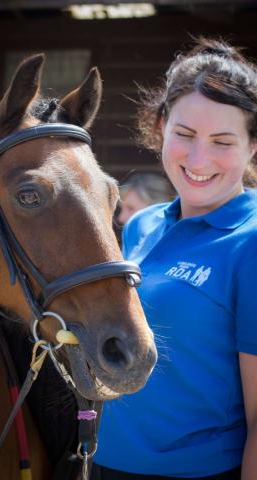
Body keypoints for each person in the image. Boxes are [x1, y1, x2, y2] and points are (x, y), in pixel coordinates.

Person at [91, 37, 257, 480]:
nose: (199, 158)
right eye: (184, 134)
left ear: (252, 146)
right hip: (104, 462)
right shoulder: (142, 224)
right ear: (161, 125)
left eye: (223, 141)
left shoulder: (251, 240)